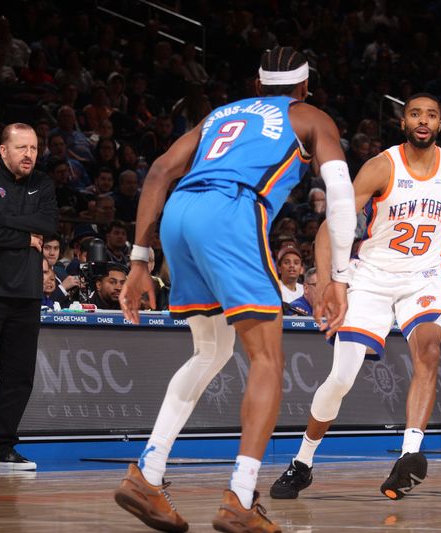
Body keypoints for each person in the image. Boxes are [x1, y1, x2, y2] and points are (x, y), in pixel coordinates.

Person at [114, 47, 358, 533]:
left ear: (259, 83)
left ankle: (148, 473)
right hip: (231, 211)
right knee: (267, 358)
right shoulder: (310, 116)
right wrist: (339, 277)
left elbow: (161, 170)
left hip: (179, 214)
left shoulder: (220, 113)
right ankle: (241, 497)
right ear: (304, 86)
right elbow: (341, 193)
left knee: (211, 349)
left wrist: (139, 260)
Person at [269, 93, 441, 502]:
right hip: (373, 276)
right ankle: (303, 462)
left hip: (425, 276)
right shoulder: (382, 166)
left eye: (431, 115)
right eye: (415, 113)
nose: (423, 120)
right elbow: (333, 224)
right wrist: (327, 281)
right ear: (404, 122)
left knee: (429, 350)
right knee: (341, 378)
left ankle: (410, 456)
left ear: (439, 124)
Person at [0, 123, 58, 471]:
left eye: (33, 147)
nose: (29, 154)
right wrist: (22, 237)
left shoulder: (43, 183)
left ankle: (3, 448)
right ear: (4, 151)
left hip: (27, 295)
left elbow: (48, 224)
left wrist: (1, 220)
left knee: (19, 375)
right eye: (21, 148)